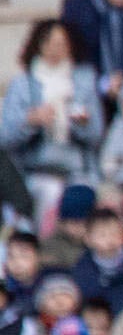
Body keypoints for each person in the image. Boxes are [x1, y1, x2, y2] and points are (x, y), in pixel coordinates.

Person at [7, 21, 99, 221]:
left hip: (78, 166)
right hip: (37, 167)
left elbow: (96, 134)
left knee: (84, 197)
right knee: (49, 193)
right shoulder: (22, 84)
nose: (55, 50)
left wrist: (80, 123)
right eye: (50, 43)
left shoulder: (84, 81)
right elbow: (5, 137)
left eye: (62, 44)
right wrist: (30, 121)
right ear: (38, 45)